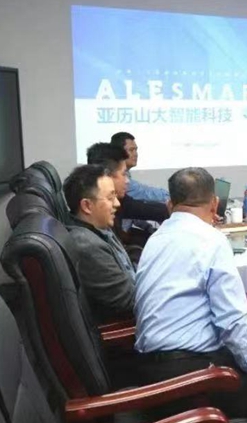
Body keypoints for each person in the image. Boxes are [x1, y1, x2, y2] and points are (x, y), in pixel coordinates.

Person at [133, 167, 247, 423]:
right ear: (215, 203)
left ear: (170, 204)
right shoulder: (211, 240)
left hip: (147, 367)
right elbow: (231, 320)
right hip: (186, 377)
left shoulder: (156, 237)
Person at [63, 164, 135, 324]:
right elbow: (129, 301)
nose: (117, 203)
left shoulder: (99, 227)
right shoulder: (88, 246)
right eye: (110, 198)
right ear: (87, 206)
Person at [86, 143, 169, 237]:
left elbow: (143, 208)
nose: (127, 181)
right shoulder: (92, 227)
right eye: (123, 174)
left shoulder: (121, 200)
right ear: (106, 175)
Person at [110, 132, 169, 202]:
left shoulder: (126, 174)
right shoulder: (116, 176)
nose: (135, 154)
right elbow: (143, 192)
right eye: (131, 150)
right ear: (119, 152)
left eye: (136, 150)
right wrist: (172, 196)